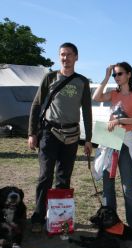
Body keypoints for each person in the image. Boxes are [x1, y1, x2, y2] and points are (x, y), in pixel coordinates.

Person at [28, 42, 93, 232]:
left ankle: (58, 218)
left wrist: (88, 138)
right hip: (49, 133)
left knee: (64, 178)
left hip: (72, 136)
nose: (65, 58)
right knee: (45, 176)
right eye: (62, 55)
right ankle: (38, 218)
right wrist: (32, 133)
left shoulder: (82, 81)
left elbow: (87, 112)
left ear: (76, 57)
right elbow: (36, 105)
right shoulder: (50, 78)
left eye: (69, 55)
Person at [92, 62, 132, 232]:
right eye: (115, 75)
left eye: (119, 74)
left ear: (129, 74)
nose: (117, 77)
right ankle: (110, 225)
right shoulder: (113, 93)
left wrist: (121, 120)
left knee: (127, 187)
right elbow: (96, 97)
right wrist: (106, 78)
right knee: (108, 187)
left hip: (125, 141)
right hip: (109, 140)